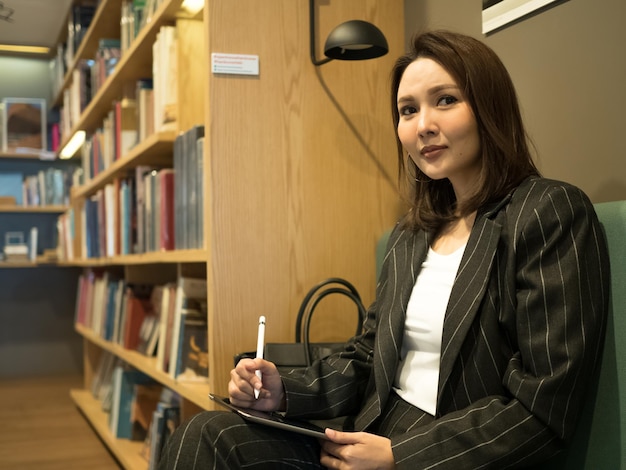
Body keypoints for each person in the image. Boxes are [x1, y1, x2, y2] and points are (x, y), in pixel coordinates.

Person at [158, 30, 610, 469]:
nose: (423, 125)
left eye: (445, 100)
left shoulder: (548, 211)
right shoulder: (412, 233)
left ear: (489, 105)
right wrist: (284, 391)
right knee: (204, 434)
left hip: (443, 454)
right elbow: (370, 356)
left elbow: (542, 408)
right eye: (408, 110)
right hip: (368, 437)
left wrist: (402, 458)